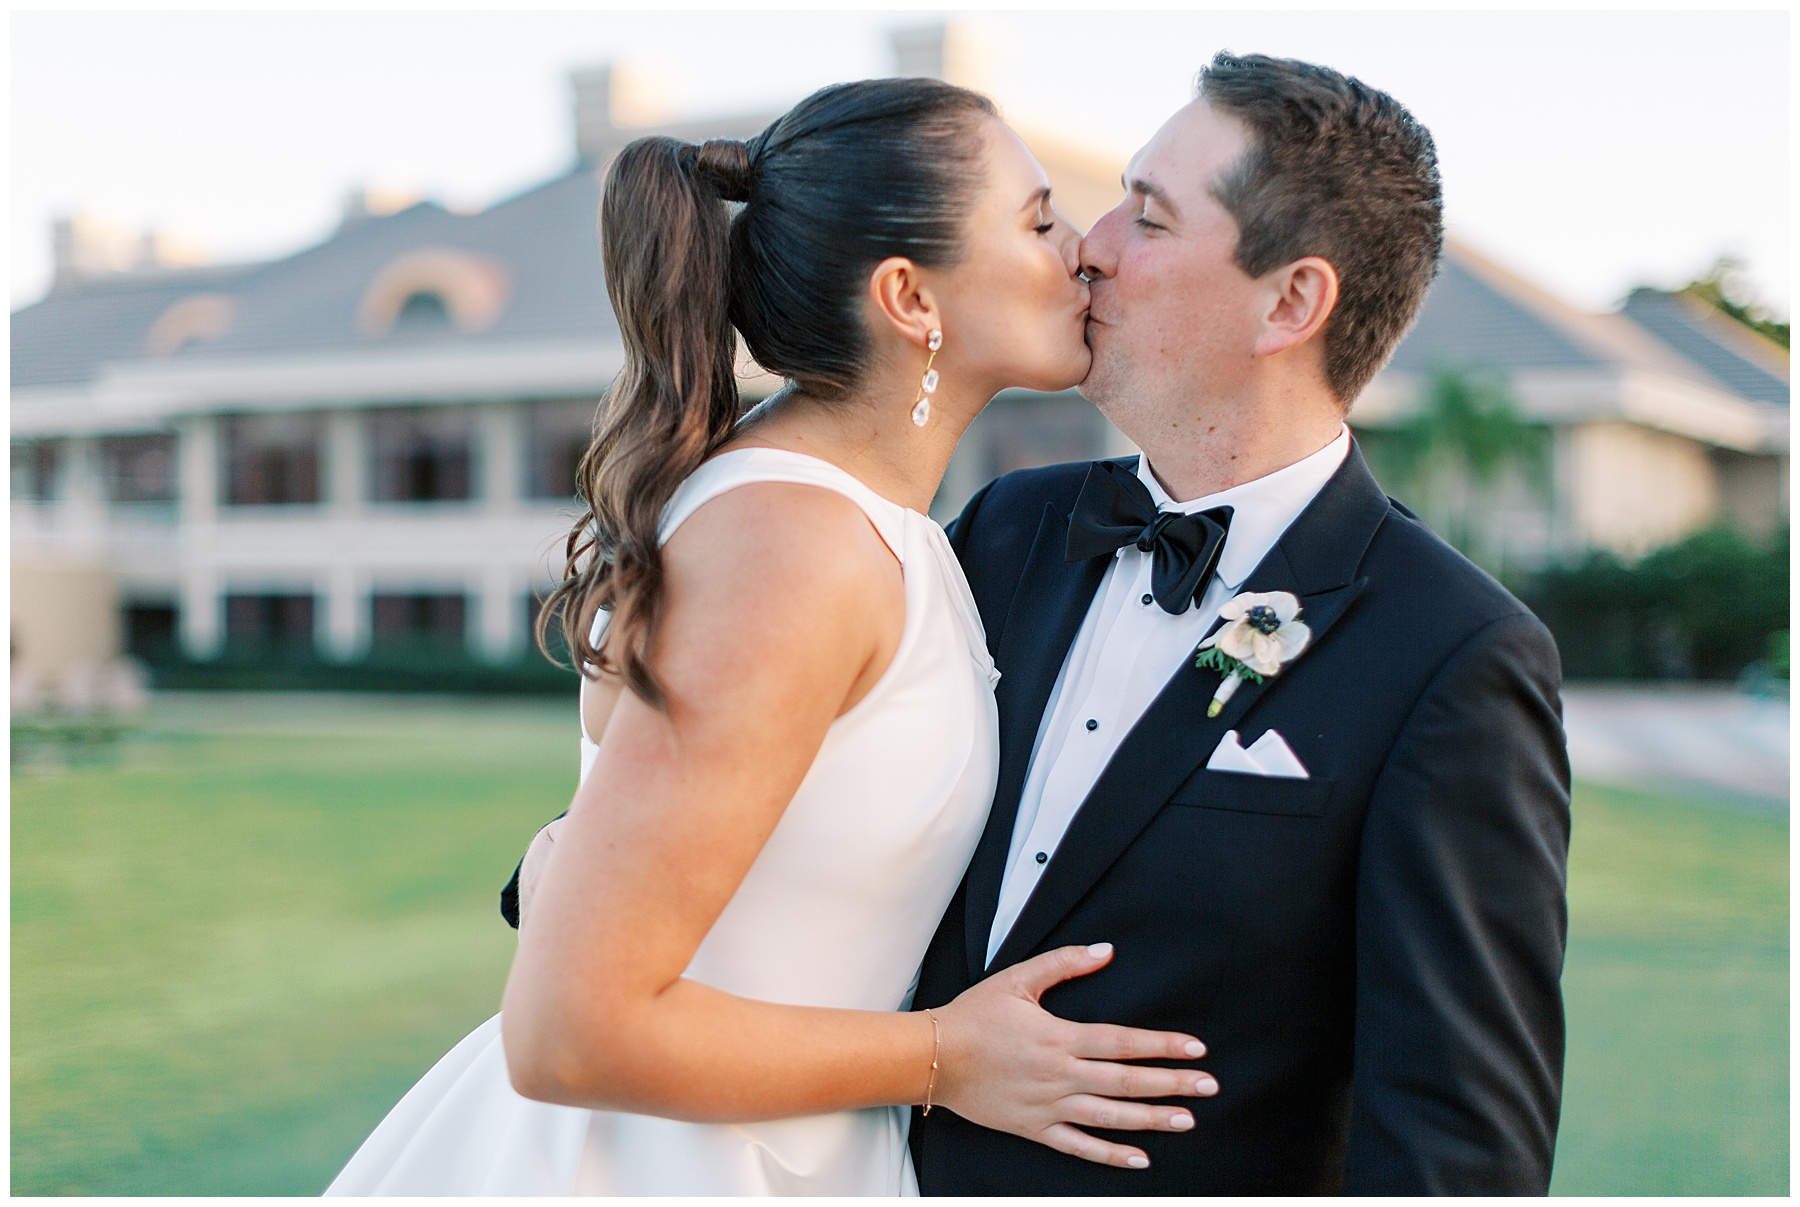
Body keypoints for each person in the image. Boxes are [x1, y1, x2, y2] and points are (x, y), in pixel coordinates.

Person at [325, 77, 1216, 1198]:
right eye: (1037, 220)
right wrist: (947, 1056)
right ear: (909, 296)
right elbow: (567, 1029)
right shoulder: (792, 542)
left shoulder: (857, 520)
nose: (1081, 250)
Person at [907, 53, 1572, 1195]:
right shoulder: (1003, 533)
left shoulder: (1453, 658)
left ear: (1291, 302)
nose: (1090, 245)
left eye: (1149, 219)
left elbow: (1457, 1154)